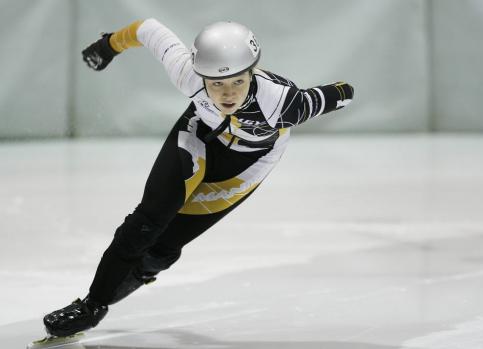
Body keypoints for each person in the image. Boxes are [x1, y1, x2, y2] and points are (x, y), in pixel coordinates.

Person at [42, 18, 354, 337]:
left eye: (237, 81)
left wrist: (346, 92)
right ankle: (93, 305)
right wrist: (109, 46)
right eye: (216, 84)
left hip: (248, 161)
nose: (227, 93)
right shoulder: (186, 72)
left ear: (251, 73)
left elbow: (341, 93)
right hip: (198, 135)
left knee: (164, 246)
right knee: (147, 220)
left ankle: (142, 272)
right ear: (201, 75)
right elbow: (148, 30)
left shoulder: (284, 103)